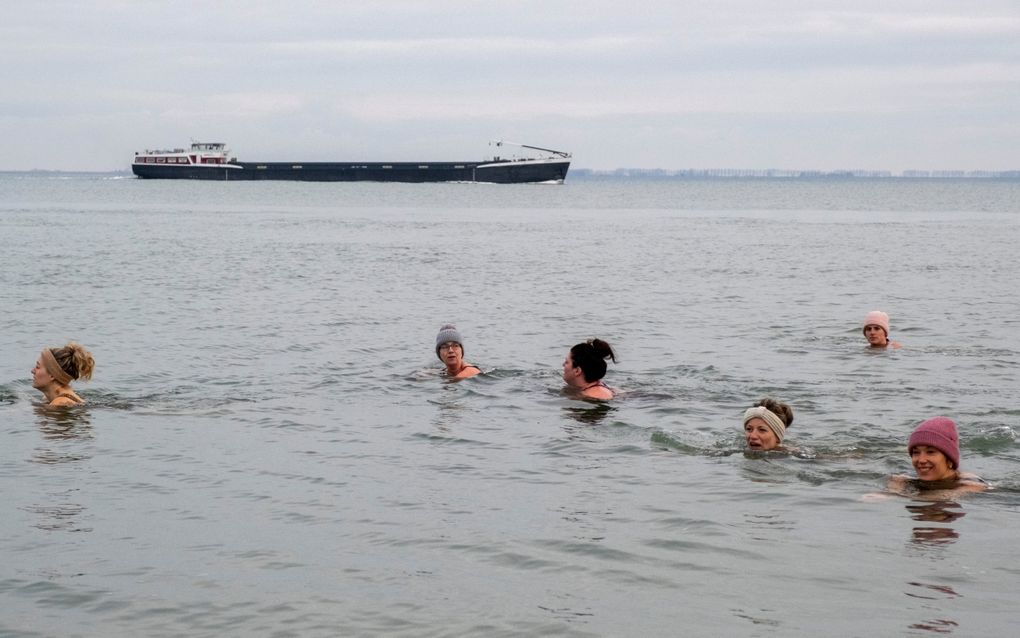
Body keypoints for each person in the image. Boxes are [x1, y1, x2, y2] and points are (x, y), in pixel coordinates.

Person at [887, 417, 987, 496]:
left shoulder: (970, 484)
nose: (921, 460)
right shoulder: (904, 480)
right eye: (916, 452)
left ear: (949, 459)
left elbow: (940, 497)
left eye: (930, 452)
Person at [31, 342, 95, 406]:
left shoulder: (60, 402)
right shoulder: (49, 398)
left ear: (52, 375)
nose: (32, 371)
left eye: (37, 367)